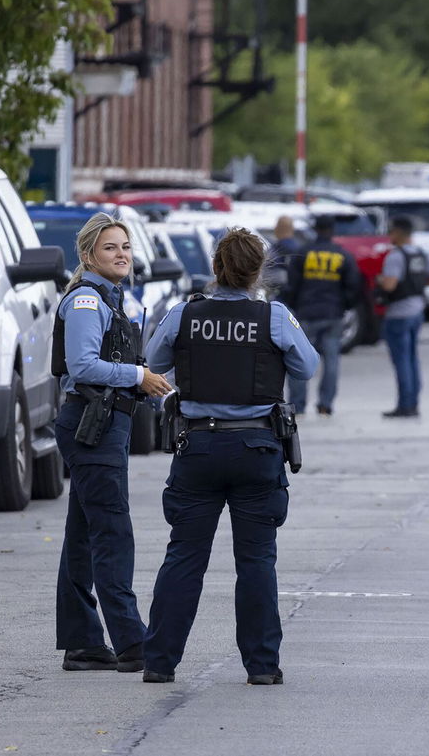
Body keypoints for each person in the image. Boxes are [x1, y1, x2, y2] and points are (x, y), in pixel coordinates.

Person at [141, 228, 319, 685]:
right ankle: (261, 667)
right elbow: (307, 367)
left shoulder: (184, 314)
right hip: (256, 448)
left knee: (183, 556)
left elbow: (153, 362)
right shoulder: (273, 316)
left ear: (215, 266)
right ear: (259, 269)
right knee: (257, 561)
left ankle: (159, 663)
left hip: (198, 448)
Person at [53, 213, 172, 673]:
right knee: (112, 534)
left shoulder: (110, 297)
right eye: (110, 248)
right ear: (87, 256)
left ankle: (82, 642)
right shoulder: (86, 300)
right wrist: (138, 376)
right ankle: (131, 642)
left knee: (83, 536)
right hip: (91, 425)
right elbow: (81, 367)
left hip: (103, 425)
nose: (122, 254)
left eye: (125, 246)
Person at [282, 215, 361, 416]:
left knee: (299, 359)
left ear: (315, 230)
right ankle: (325, 404)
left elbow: (291, 285)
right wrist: (344, 306)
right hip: (332, 313)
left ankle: (297, 405)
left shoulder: (304, 253)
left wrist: (294, 305)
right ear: (332, 230)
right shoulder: (342, 255)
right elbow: (353, 285)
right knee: (332, 360)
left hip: (306, 313)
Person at [377, 216, 429, 418]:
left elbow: (390, 285)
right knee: (412, 358)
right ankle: (413, 403)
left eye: (391, 232)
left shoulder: (395, 256)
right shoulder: (420, 254)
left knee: (401, 360)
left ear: (399, 233)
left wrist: (380, 281)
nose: (389, 236)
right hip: (417, 310)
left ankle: (404, 406)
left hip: (399, 313)